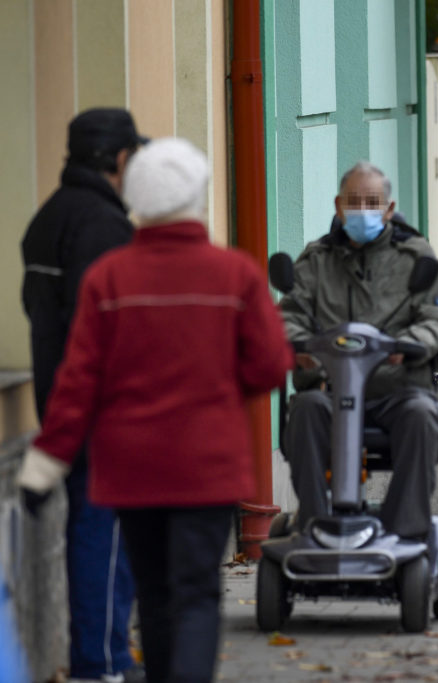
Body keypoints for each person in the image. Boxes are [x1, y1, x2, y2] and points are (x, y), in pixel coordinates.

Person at [16, 137, 293, 683]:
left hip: (132, 470)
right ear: (197, 193)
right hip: (208, 468)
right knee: (194, 594)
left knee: (155, 593)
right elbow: (268, 366)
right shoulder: (233, 275)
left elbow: (77, 383)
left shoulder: (110, 278)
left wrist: (43, 465)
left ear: (137, 196)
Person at [20, 108, 146, 683]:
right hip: (103, 410)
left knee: (95, 536)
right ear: (118, 159)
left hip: (63, 399)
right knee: (107, 541)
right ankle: (103, 663)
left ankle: (105, 658)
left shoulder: (51, 216)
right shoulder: (101, 224)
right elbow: (104, 329)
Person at [280, 161, 438, 540]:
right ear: (339, 206)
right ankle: (315, 524)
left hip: (397, 392)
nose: (363, 210)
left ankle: (403, 531)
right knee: (305, 409)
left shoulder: (416, 257)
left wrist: (411, 345)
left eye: (372, 202)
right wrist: (302, 348)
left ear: (389, 209)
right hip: (331, 391)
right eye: (354, 202)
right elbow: (287, 316)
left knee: (423, 415)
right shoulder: (316, 260)